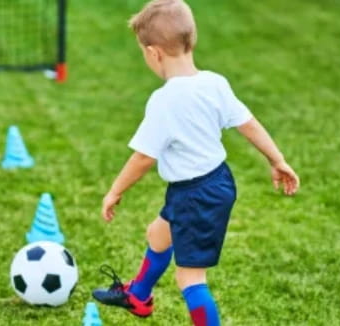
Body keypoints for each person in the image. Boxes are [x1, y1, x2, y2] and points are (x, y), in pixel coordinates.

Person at [91, 0, 300, 325]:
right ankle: (138, 297)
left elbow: (144, 157)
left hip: (195, 194)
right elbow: (249, 123)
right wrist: (278, 159)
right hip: (216, 181)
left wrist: (115, 191)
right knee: (158, 236)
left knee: (190, 279)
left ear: (154, 53)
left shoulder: (164, 100)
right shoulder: (215, 83)